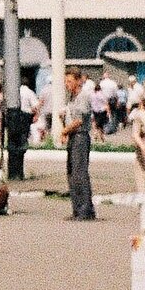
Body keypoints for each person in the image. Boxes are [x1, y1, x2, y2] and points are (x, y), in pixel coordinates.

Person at [61, 68, 95, 221]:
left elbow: (79, 120)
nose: (67, 84)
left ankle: (85, 210)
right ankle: (76, 209)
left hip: (80, 137)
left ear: (78, 80)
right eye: (65, 81)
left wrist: (64, 131)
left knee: (79, 174)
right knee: (71, 173)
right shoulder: (72, 97)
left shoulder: (84, 96)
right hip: (73, 136)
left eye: (69, 81)